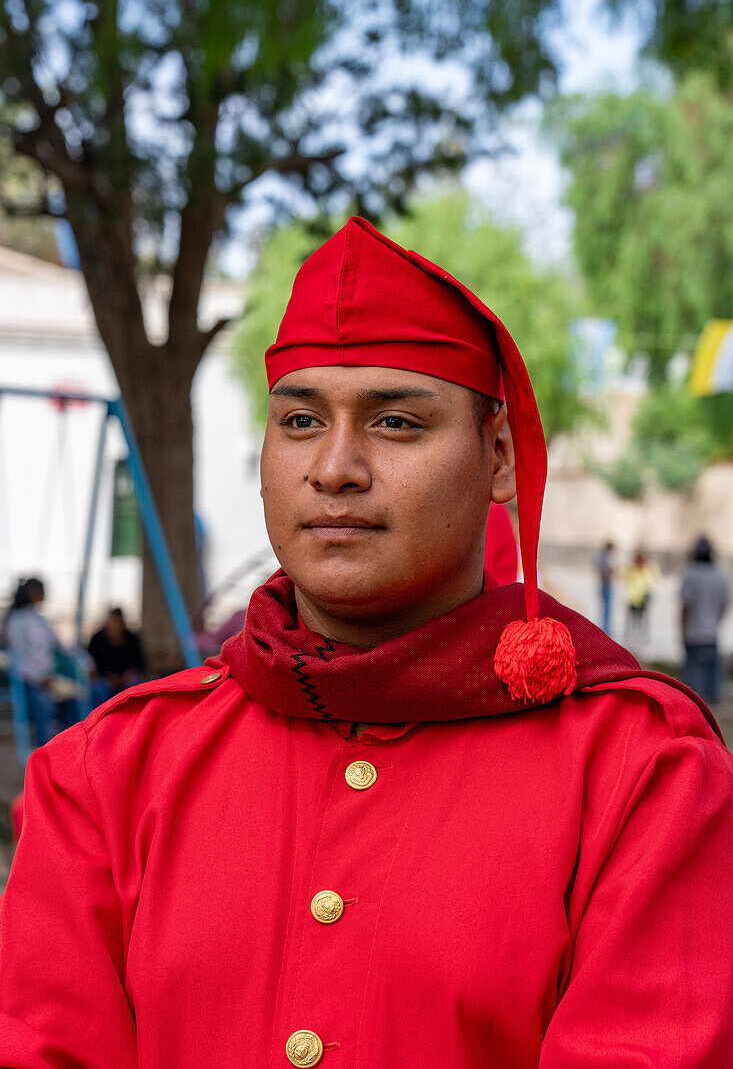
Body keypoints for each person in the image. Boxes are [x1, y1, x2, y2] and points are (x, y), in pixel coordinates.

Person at [0, 217, 731, 1067]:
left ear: (497, 456)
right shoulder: (108, 773)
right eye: (302, 421)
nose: (335, 468)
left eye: (395, 424)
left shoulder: (638, 770)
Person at [2, 577, 81, 747]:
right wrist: (39, 679)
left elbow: (60, 646)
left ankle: (69, 748)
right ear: (32, 592)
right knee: (44, 702)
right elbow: (18, 658)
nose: (45, 594)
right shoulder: (16, 621)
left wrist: (85, 661)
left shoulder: (40, 619)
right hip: (28, 682)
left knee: (76, 699)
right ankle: (44, 752)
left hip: (49, 679)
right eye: (42, 590)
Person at [681, 535, 730, 705]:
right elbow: (724, 605)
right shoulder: (720, 577)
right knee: (712, 681)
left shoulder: (690, 575)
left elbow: (685, 607)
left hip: (693, 633)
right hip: (711, 634)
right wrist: (715, 622)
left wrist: (681, 630)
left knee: (693, 686)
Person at [87, 608, 146, 706]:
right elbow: (90, 664)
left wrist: (129, 674)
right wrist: (107, 677)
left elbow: (140, 664)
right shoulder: (97, 640)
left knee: (138, 686)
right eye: (112, 622)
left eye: (117, 622)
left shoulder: (132, 639)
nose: (114, 626)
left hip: (127, 680)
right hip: (104, 679)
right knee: (99, 690)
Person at [623, 549, 659, 646]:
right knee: (631, 622)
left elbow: (653, 580)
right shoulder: (632, 570)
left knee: (643, 621)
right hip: (633, 599)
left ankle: (642, 640)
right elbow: (624, 576)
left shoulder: (647, 570)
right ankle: (630, 640)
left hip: (643, 599)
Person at [595, 539, 615, 635]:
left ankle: (606, 630)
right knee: (606, 611)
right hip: (606, 585)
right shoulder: (605, 558)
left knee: (607, 611)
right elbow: (604, 572)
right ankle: (605, 631)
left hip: (606, 585)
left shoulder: (603, 557)